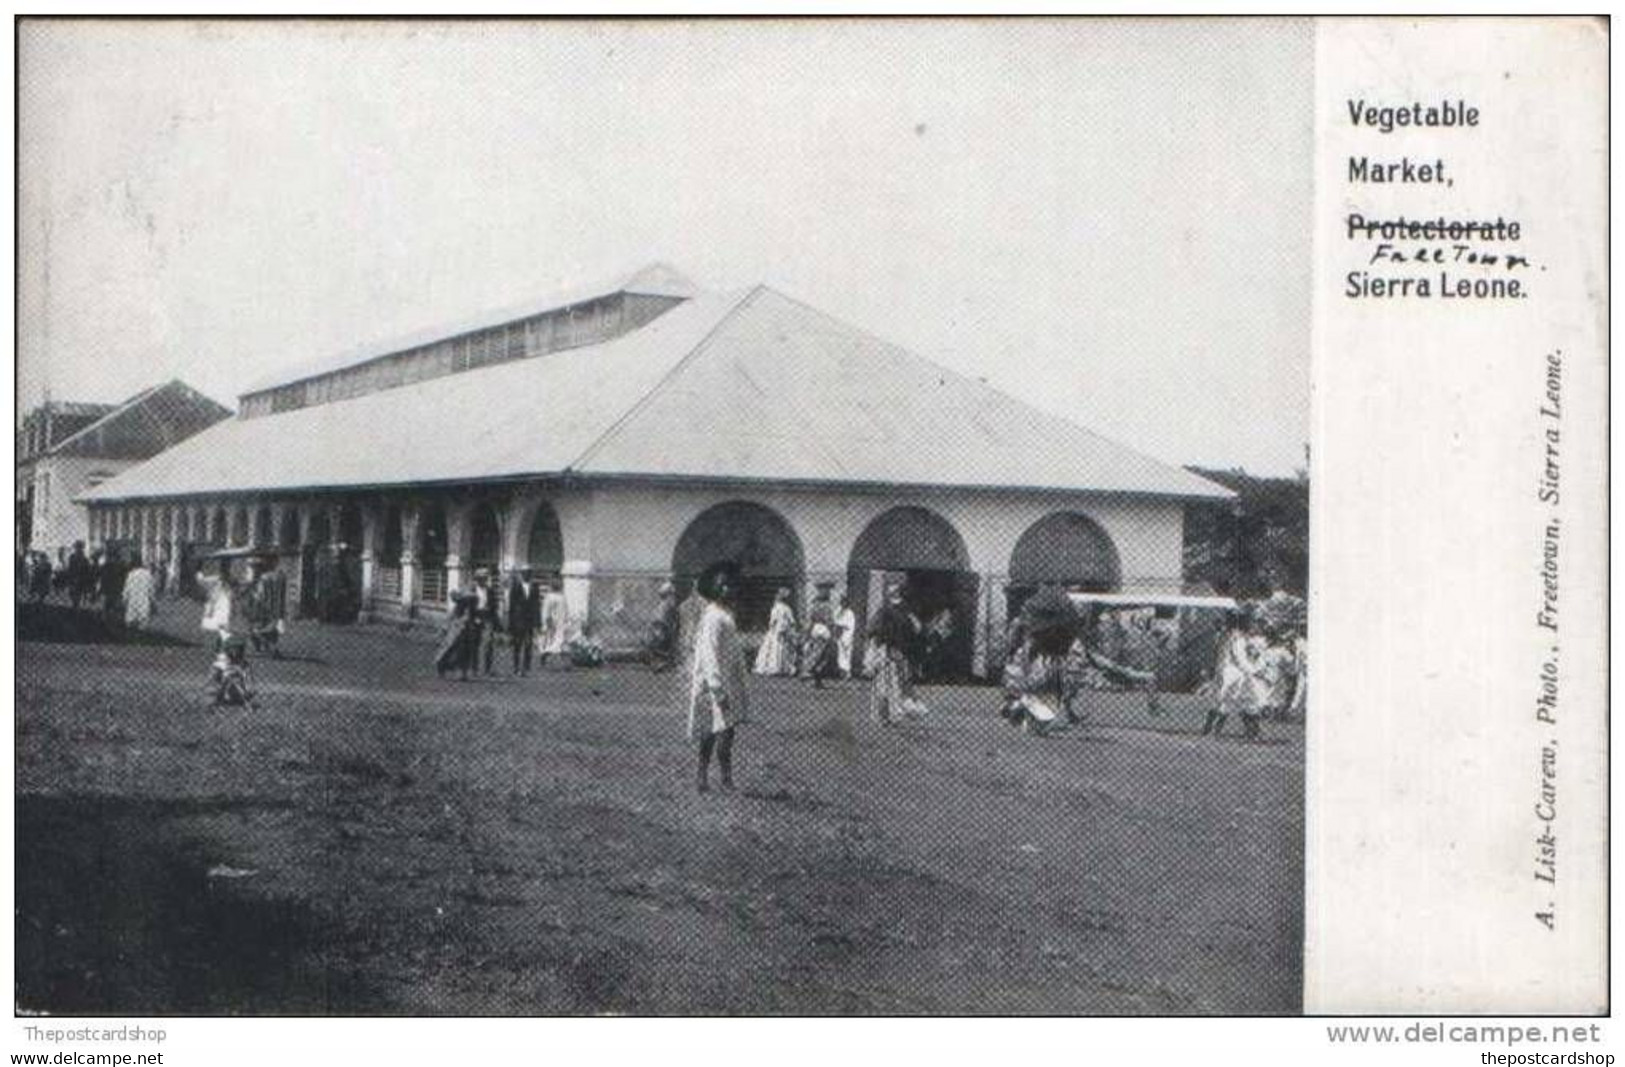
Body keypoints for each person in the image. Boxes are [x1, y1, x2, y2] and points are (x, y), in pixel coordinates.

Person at [687, 561, 750, 793]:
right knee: (713, 731)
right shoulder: (713, 616)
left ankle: (723, 777)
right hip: (713, 682)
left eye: (730, 585)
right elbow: (709, 653)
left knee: (726, 730)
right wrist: (716, 687)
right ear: (713, 588)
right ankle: (708, 777)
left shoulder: (726, 614)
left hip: (727, 679)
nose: (727, 590)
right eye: (722, 586)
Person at [1000, 588, 1082, 736]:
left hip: (1041, 667)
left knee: (1054, 687)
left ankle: (1024, 711)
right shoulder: (1026, 629)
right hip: (1032, 670)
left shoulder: (1036, 630)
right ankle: (1019, 708)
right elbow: (1015, 644)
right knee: (1037, 686)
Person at [867, 580, 925, 724]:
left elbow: (873, 629)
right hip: (893, 649)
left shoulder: (887, 609)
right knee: (894, 683)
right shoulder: (904, 610)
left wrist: (874, 645)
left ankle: (884, 716)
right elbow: (917, 628)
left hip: (888, 649)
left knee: (884, 684)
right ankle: (891, 715)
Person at [1204, 609, 1264, 740]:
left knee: (1226, 700)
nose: (1252, 625)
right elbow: (1240, 658)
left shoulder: (1228, 635)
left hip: (1227, 671)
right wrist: (1255, 671)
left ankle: (1211, 729)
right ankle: (1215, 731)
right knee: (1236, 701)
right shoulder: (1238, 639)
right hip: (1235, 672)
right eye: (1250, 622)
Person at [247, 558, 288, 658]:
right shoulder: (276, 576)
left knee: (257, 629)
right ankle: (266, 648)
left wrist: (253, 597)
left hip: (263, 607)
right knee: (269, 629)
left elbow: (260, 595)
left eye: (255, 568)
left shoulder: (264, 578)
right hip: (274, 608)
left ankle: (270, 649)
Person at [753, 587, 797, 676]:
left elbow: (772, 621)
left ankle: (774, 667)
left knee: (775, 648)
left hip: (777, 630)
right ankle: (779, 668)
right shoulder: (787, 609)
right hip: (782, 629)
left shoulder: (776, 608)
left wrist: (772, 628)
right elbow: (792, 621)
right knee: (780, 648)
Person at [800, 583, 838, 688]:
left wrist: (807, 632)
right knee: (820, 654)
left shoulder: (814, 604)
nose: (829, 593)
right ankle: (807, 672)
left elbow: (809, 620)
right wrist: (833, 630)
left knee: (819, 654)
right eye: (827, 591)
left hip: (816, 630)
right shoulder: (825, 606)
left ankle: (817, 679)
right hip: (823, 630)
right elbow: (829, 620)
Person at [506, 568, 541, 675]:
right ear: (521, 574)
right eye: (525, 573)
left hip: (529, 620)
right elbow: (511, 605)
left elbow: (536, 605)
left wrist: (537, 622)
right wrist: (510, 623)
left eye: (529, 573)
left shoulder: (534, 587)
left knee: (528, 644)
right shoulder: (516, 586)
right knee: (517, 645)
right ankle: (516, 667)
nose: (527, 575)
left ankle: (526, 667)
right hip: (518, 620)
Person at [646, 581, 681, 672]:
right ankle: (661, 662)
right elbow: (658, 625)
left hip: (664, 637)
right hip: (660, 637)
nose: (674, 598)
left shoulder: (669, 608)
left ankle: (664, 662)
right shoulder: (663, 607)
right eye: (671, 595)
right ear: (667, 596)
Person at [537, 579, 569, 668]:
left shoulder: (562, 597)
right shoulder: (550, 597)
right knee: (551, 643)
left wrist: (566, 622)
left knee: (561, 644)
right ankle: (544, 659)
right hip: (553, 624)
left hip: (561, 623)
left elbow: (565, 611)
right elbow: (546, 611)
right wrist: (548, 621)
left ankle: (564, 663)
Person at [121, 554, 156, 630]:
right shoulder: (148, 574)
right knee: (143, 628)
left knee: (130, 628)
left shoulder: (131, 574)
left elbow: (126, 590)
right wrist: (153, 602)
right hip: (144, 604)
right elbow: (151, 591)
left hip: (132, 604)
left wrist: (124, 601)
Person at [833, 593, 857, 679]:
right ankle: (841, 672)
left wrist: (840, 625)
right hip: (840, 635)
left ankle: (847, 672)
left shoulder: (850, 613)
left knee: (847, 654)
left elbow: (849, 626)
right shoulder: (838, 611)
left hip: (847, 635)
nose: (842, 604)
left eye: (844, 602)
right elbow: (835, 619)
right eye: (841, 602)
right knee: (840, 654)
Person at [64, 541, 93, 609]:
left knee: (77, 598)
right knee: (73, 597)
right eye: (77, 547)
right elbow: (70, 569)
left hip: (80, 581)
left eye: (79, 547)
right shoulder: (72, 557)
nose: (77, 549)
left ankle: (76, 608)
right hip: (73, 580)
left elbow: (87, 572)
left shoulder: (84, 559)